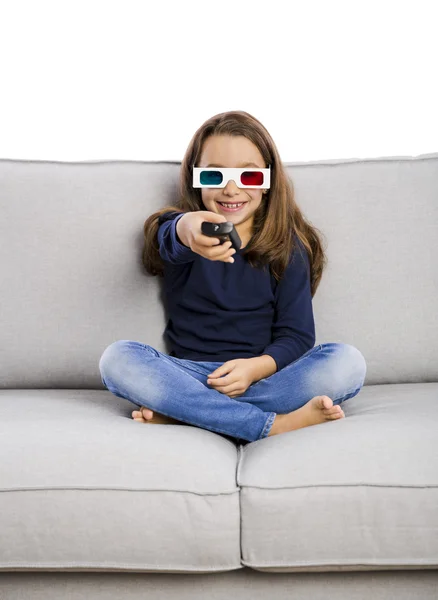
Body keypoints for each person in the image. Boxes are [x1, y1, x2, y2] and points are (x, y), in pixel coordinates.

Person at [99, 110, 367, 444]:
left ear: (269, 183)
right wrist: (187, 229)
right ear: (195, 179)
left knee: (347, 363)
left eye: (249, 177)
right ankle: (268, 425)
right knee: (118, 359)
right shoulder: (181, 232)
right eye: (213, 177)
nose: (230, 189)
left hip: (265, 377)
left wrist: (256, 368)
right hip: (193, 377)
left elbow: (297, 336)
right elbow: (171, 238)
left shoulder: (289, 247)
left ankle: (188, 415)